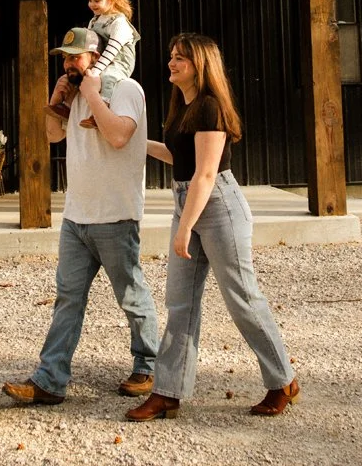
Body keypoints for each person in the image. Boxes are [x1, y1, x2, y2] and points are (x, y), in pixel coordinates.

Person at [125, 33, 299, 421]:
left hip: (218, 208)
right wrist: (137, 142)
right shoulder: (183, 106)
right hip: (188, 203)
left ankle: (282, 380)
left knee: (242, 298)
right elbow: (180, 157)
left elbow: (205, 173)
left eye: (180, 58)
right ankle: (167, 392)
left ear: (200, 65)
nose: (171, 63)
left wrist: (184, 227)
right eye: (172, 56)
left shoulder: (210, 107)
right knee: (180, 304)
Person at [3, 26, 160, 407]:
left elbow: (119, 137)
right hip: (76, 217)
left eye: (76, 57)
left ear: (97, 57)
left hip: (115, 215)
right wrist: (56, 101)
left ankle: (150, 367)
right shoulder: (73, 95)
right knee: (67, 300)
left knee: (131, 296)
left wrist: (91, 94)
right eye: (65, 59)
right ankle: (50, 380)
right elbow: (53, 136)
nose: (69, 64)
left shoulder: (126, 89)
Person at [47, 0, 140, 130]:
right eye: (89, 0)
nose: (91, 5)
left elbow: (111, 51)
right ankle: (66, 107)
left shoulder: (120, 23)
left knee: (108, 77)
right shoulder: (94, 21)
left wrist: (95, 72)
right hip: (100, 59)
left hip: (118, 61)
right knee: (76, 75)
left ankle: (102, 110)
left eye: (97, 0)